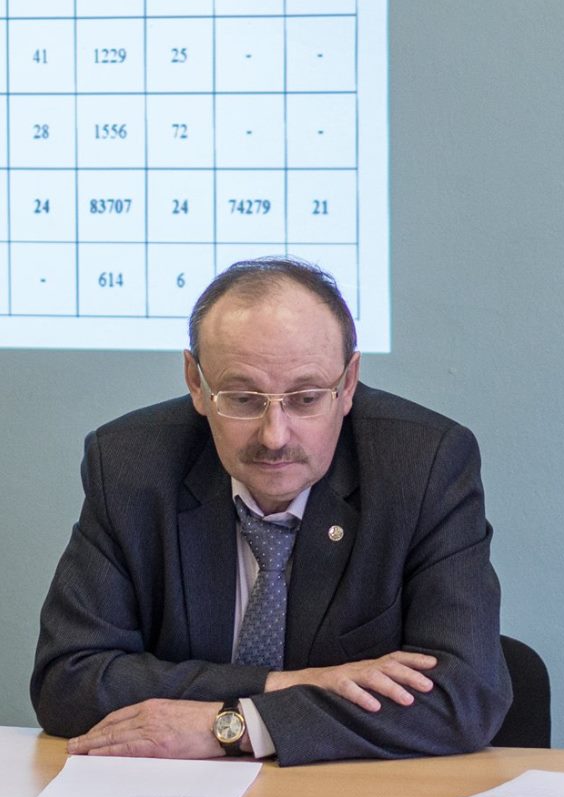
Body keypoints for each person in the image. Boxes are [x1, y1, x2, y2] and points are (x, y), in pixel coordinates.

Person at [31, 257, 511, 765]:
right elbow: (68, 681)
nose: (275, 436)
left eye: (305, 399)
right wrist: (284, 684)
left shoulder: (423, 465)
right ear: (196, 382)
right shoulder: (130, 464)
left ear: (348, 384)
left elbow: (466, 695)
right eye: (242, 398)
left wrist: (236, 725)